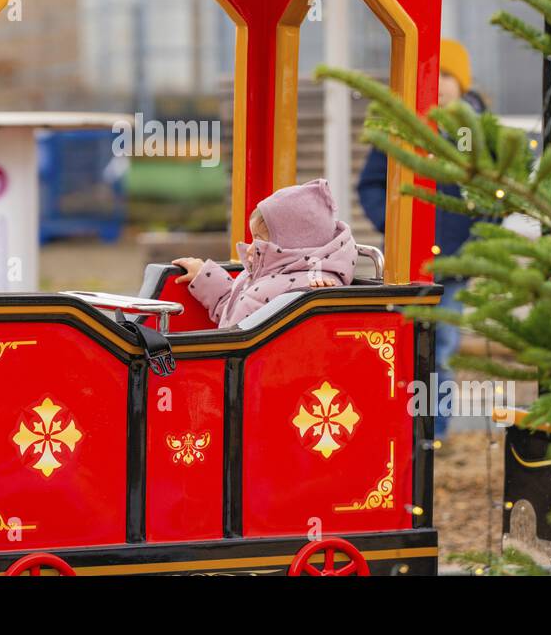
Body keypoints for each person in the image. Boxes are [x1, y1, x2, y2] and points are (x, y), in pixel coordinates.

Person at [357, 38, 488, 440]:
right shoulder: (403, 131)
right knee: (399, 349)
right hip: (406, 263)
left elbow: (493, 197)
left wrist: (475, 245)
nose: (440, 86)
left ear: (463, 83)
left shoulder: (478, 135)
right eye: (433, 78)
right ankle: (400, 431)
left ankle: (434, 434)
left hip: (451, 267)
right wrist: (393, 224)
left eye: (447, 76)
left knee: (442, 349)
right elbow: (371, 184)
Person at [172, 178, 356, 328]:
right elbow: (232, 310)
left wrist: (321, 299)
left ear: (293, 243)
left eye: (261, 240)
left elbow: (315, 331)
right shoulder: (262, 272)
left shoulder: (313, 282)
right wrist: (205, 276)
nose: (251, 249)